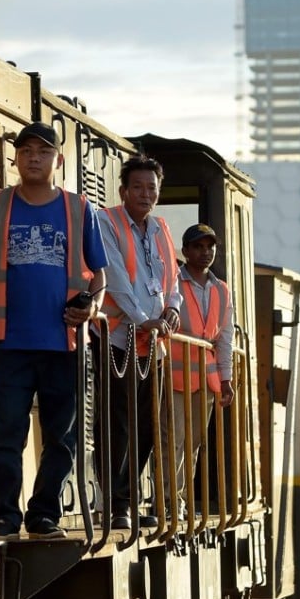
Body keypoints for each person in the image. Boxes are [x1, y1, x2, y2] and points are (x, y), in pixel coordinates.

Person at [0, 121, 108, 540]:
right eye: (25, 151)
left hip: (66, 342)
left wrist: (90, 305)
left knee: (62, 438)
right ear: (16, 158)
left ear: (58, 159)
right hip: (11, 342)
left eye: (42, 151)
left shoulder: (80, 210)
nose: (33, 158)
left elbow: (99, 276)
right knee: (7, 434)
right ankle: (5, 516)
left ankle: (44, 514)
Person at [93, 155, 182, 530]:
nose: (146, 194)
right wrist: (140, 319)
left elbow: (171, 281)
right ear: (123, 190)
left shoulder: (161, 228)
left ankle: (129, 498)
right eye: (138, 187)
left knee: (147, 424)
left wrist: (172, 311)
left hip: (153, 342)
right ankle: (115, 503)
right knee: (117, 424)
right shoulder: (106, 221)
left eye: (152, 189)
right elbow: (114, 277)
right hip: (117, 337)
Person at [166, 223, 234, 518]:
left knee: (193, 443)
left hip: (205, 379)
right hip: (173, 374)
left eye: (210, 247)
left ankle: (180, 499)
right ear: (186, 251)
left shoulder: (221, 290)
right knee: (173, 438)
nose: (205, 252)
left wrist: (226, 378)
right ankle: (169, 500)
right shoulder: (172, 282)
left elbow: (225, 337)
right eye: (198, 246)